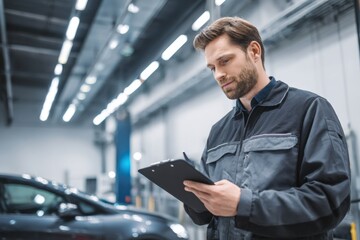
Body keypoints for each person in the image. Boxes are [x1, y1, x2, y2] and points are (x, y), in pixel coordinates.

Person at [183, 16, 351, 239]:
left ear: (254, 51)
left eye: (224, 61)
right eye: (212, 68)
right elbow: (204, 217)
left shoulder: (309, 110)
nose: (218, 75)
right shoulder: (219, 131)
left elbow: (330, 202)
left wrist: (244, 205)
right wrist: (195, 199)